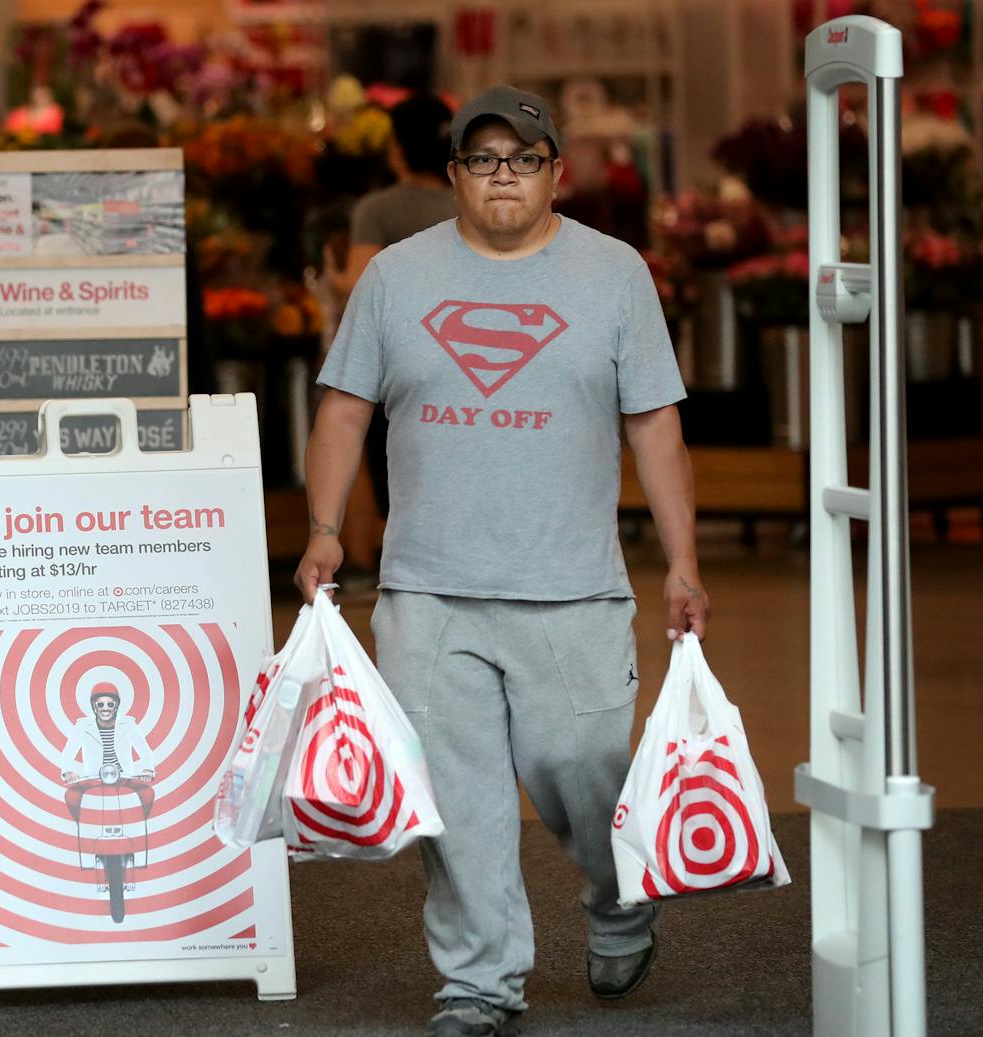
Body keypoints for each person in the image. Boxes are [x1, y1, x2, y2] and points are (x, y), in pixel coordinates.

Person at [294, 85, 709, 1037]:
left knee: (585, 762)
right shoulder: (396, 278)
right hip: (428, 588)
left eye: (523, 159)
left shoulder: (614, 276)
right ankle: (479, 980)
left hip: (573, 586)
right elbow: (344, 410)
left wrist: (681, 559)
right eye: (482, 161)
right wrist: (325, 528)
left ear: (557, 172)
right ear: (452, 178)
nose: (503, 177)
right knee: (458, 799)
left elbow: (654, 425)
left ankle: (617, 897)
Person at [328, 93, 460, 520]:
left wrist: (331, 277)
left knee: (399, 480)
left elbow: (359, 284)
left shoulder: (378, 209)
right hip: (470, 358)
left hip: (399, 363)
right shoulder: (472, 202)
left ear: (397, 150)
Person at [60, 683, 155, 783]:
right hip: (94, 780)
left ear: (116, 706)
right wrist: (68, 772)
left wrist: (147, 769)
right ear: (94, 706)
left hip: (124, 778)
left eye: (110, 704)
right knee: (71, 796)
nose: (105, 708)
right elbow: (68, 752)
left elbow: (144, 750)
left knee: (148, 794)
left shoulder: (129, 724)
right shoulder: (82, 726)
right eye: (100, 704)